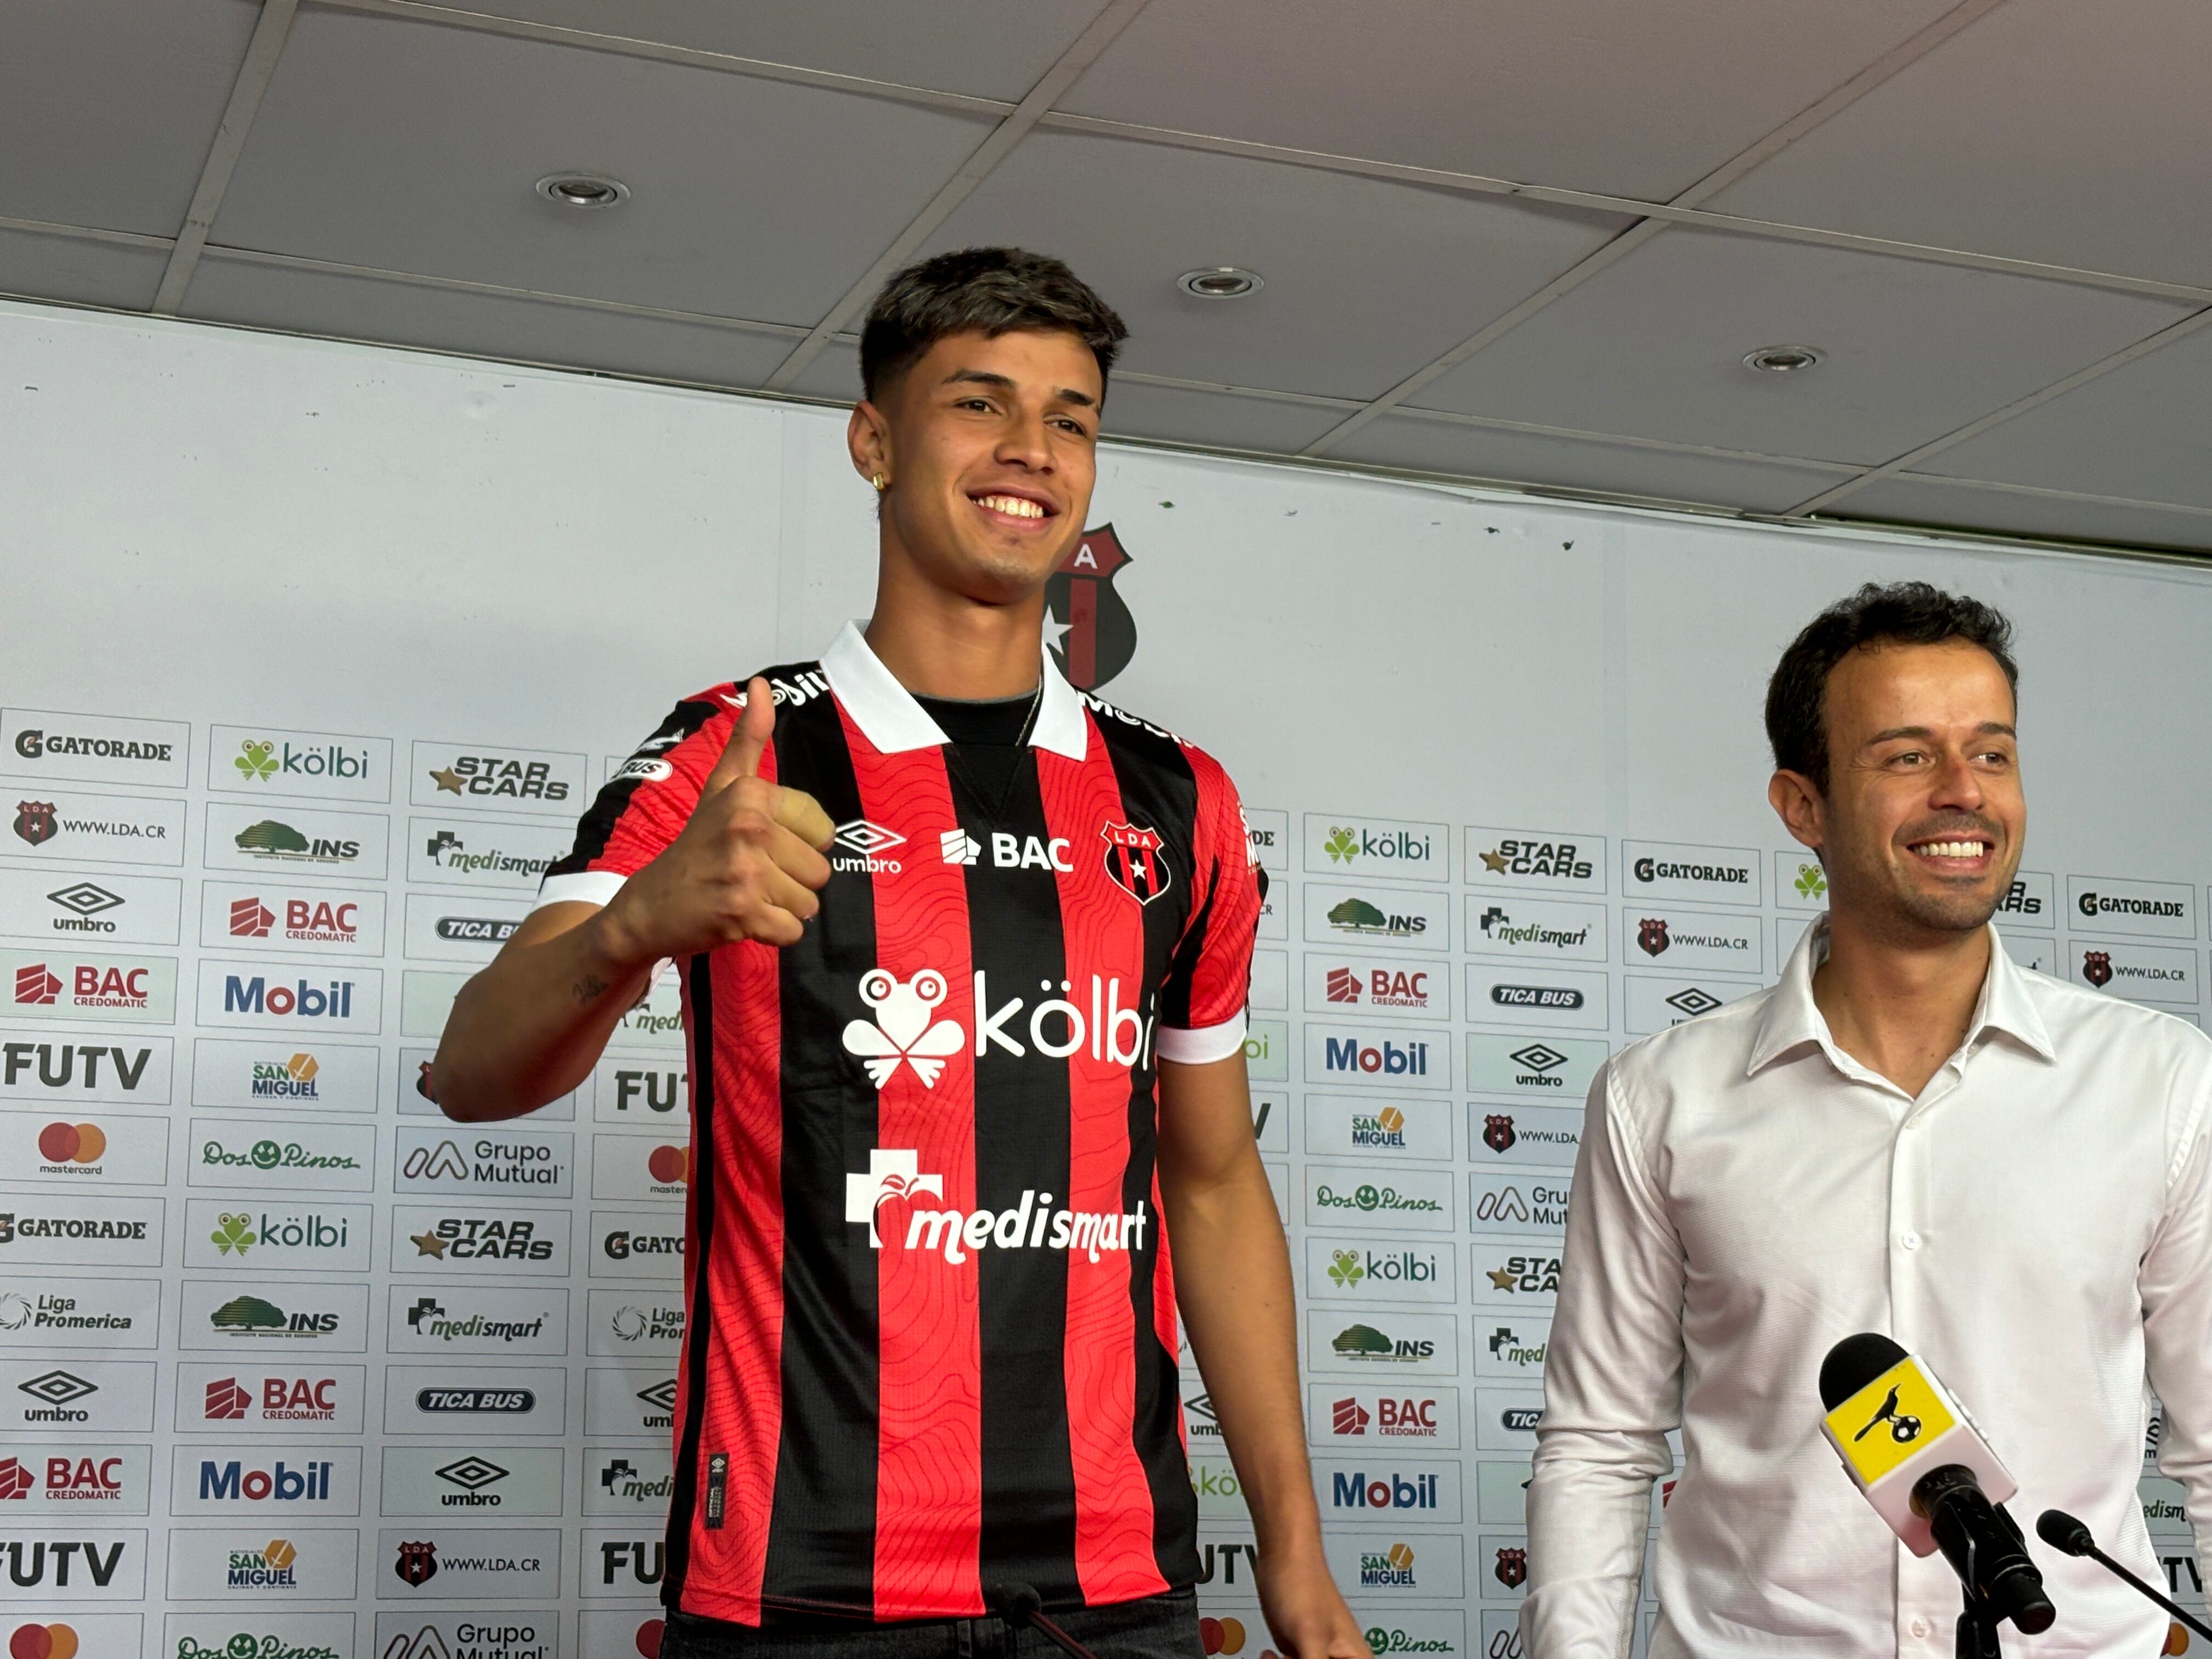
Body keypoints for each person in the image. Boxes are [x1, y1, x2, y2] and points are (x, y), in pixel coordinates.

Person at [431, 247, 1367, 1659]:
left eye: (1072, 418)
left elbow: (1216, 1181)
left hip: (1115, 1595)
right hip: (801, 1589)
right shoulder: (732, 748)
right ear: (875, 440)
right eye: (980, 405)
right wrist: (637, 925)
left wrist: (1296, 1559)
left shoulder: (1183, 801)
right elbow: (471, 1074)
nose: (1031, 453)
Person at [1522, 582, 2212, 1656]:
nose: (1963, 793)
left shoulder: (2161, 1081)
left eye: (1992, 753)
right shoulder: (1662, 1096)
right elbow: (1600, 1445)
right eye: (1906, 756)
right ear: (1803, 806)